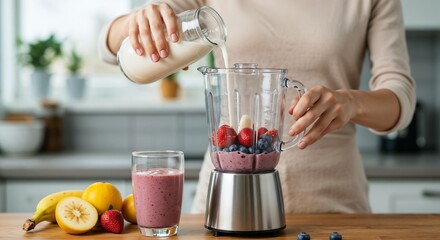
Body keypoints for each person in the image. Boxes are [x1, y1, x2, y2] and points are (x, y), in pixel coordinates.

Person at [98, 0, 416, 213]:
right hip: (224, 202)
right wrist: (137, 23)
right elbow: (110, 46)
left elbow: (399, 97)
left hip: (333, 201)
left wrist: (350, 102)